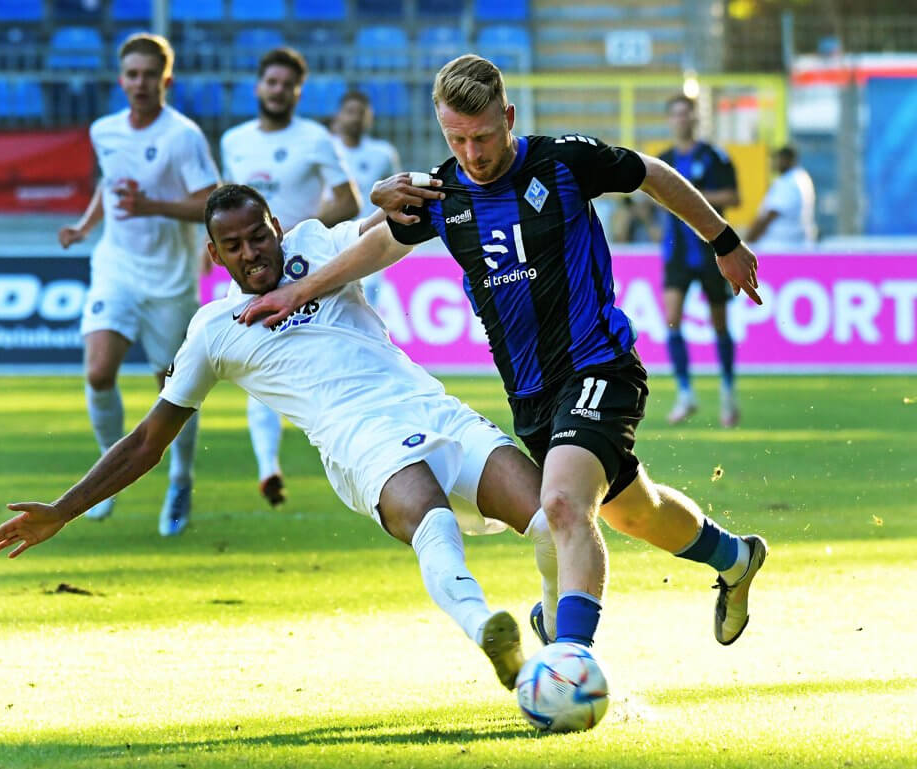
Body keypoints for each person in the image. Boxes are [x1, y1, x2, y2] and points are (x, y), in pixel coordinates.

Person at [241, 55, 769, 651]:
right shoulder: (443, 192)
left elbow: (651, 173)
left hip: (599, 365)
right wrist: (300, 290)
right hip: (531, 395)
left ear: (509, 117)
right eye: (456, 138)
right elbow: (383, 243)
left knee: (564, 506)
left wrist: (723, 241)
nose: (473, 152)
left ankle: (569, 660)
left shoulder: (565, 161)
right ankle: (735, 557)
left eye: (484, 135)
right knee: (634, 511)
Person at [0, 183, 569, 692]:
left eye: (258, 237)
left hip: (436, 410)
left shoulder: (318, 247)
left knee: (550, 520)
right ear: (213, 255)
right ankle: (493, 638)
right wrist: (64, 509)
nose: (251, 254)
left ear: (277, 228)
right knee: (432, 521)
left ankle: (549, 622)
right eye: (234, 246)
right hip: (361, 442)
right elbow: (146, 441)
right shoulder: (213, 333)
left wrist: (390, 192)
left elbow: (384, 226)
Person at [57, 33, 220, 537]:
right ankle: (106, 478)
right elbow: (112, 184)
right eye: (132, 74)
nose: (140, 83)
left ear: (165, 80)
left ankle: (181, 478)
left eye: (150, 74)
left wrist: (154, 207)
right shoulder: (104, 130)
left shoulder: (183, 135)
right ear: (121, 79)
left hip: (170, 280)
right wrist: (86, 227)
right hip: (116, 267)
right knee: (99, 370)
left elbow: (210, 200)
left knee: (173, 392)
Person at [219, 47, 361, 508]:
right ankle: (268, 466)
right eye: (272, 82)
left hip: (303, 268)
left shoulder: (315, 139)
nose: (278, 91)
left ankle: (357, 453)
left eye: (287, 85)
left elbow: (348, 200)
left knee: (332, 364)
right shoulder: (234, 141)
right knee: (259, 364)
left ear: (298, 91)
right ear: (259, 86)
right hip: (253, 275)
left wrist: (301, 236)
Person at [659, 95, 742, 427]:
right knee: (672, 319)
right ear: (670, 120)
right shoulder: (662, 160)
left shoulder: (714, 157)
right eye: (676, 114)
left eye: (686, 114)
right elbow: (648, 198)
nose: (682, 119)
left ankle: (727, 391)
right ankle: (685, 393)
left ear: (695, 118)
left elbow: (734, 197)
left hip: (711, 252)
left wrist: (691, 199)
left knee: (719, 323)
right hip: (677, 253)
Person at [330, 90, 402, 306]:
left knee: (366, 303)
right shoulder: (326, 149)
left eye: (361, 112)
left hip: (370, 240)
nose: (355, 117)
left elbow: (399, 194)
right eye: (350, 112)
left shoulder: (383, 154)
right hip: (332, 240)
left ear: (369, 117)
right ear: (339, 115)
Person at [745, 145, 817, 250]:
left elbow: (769, 216)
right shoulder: (802, 178)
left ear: (786, 160)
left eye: (777, 159)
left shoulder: (787, 182)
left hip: (778, 246)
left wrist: (748, 241)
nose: (774, 163)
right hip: (797, 244)